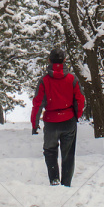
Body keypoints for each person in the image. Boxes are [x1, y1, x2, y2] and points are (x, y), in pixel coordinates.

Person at [30, 48, 85, 187]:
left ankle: (54, 180)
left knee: (50, 151)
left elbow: (37, 103)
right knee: (68, 154)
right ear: (65, 60)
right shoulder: (72, 79)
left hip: (51, 121)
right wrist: (75, 116)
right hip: (68, 121)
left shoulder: (44, 80)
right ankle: (66, 184)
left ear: (49, 61)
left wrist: (34, 123)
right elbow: (80, 99)